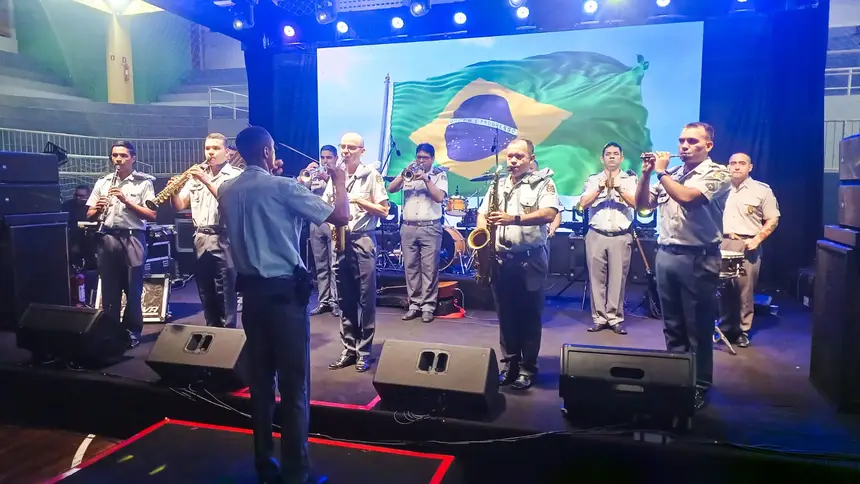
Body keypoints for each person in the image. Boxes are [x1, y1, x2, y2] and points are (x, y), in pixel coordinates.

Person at [218, 126, 348, 484]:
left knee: (261, 384)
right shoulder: (282, 186)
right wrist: (339, 181)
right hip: (284, 297)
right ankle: (296, 469)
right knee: (294, 386)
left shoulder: (226, 190)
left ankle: (263, 462)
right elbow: (340, 217)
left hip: (252, 297)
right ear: (266, 152)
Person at [634, 122, 731, 410]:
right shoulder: (673, 174)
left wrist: (661, 172)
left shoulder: (717, 173)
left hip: (698, 258)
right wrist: (646, 175)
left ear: (708, 146)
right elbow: (642, 206)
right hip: (666, 254)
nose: (684, 146)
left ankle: (699, 384)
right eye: (681, 141)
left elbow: (688, 199)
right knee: (672, 325)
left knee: (697, 328)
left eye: (692, 141)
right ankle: (677, 378)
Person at [476, 139, 561, 390]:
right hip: (502, 260)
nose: (513, 161)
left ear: (531, 158)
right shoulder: (498, 183)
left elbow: (549, 213)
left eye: (519, 157)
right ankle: (509, 364)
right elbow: (483, 212)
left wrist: (513, 219)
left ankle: (527, 368)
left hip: (529, 260)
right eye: (510, 156)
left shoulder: (543, 182)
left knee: (529, 317)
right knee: (506, 316)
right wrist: (482, 228)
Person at [324, 132, 389, 372]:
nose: (345, 151)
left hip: (363, 239)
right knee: (345, 299)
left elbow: (384, 210)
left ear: (362, 151)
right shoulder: (335, 176)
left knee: (366, 299)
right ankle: (348, 349)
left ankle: (364, 351)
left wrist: (359, 201)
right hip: (341, 240)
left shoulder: (371, 175)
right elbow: (325, 206)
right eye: (342, 146)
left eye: (351, 147)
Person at [86, 141, 156, 349]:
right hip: (107, 237)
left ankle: (131, 331)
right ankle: (111, 331)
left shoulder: (144, 183)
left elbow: (152, 215)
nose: (118, 159)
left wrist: (126, 201)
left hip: (133, 237)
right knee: (109, 289)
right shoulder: (103, 182)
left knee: (132, 287)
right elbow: (89, 214)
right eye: (115, 155)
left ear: (132, 158)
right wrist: (97, 209)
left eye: (123, 156)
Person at [172, 133, 241, 328]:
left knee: (226, 291)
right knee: (205, 290)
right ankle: (212, 332)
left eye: (216, 148)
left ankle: (228, 337)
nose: (210, 152)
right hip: (200, 236)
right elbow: (179, 205)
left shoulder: (235, 175)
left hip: (223, 236)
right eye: (208, 148)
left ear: (227, 153)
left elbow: (229, 202)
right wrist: (174, 191)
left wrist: (205, 180)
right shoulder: (195, 176)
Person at [719, 152, 780, 347]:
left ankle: (743, 330)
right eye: (733, 163)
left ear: (750, 167)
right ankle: (726, 326)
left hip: (746, 245)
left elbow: (773, 218)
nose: (736, 167)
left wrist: (758, 238)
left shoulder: (761, 190)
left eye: (741, 163)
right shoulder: (720, 188)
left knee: (744, 291)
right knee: (723, 289)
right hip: (720, 242)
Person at [579, 142, 637, 335]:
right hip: (596, 235)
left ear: (622, 157)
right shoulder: (593, 179)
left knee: (618, 279)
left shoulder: (630, 180)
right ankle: (599, 318)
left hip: (620, 236)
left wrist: (619, 189)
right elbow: (583, 204)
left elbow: (638, 203)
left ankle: (615, 318)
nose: (612, 157)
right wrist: (599, 189)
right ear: (601, 158)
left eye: (615, 154)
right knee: (596, 279)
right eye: (608, 154)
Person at [386, 143, 448, 323]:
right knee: (410, 268)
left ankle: (428, 306)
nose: (421, 160)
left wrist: (426, 179)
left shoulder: (439, 175)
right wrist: (405, 173)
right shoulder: (409, 173)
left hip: (430, 226)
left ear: (432, 159)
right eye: (419, 157)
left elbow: (439, 197)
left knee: (429, 269)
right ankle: (414, 304)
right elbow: (391, 189)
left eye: (425, 158)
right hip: (408, 226)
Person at [304, 146, 341, 318]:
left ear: (336, 158)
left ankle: (335, 301)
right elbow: (301, 192)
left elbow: (340, 195)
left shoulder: (339, 174)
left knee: (334, 264)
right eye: (323, 157)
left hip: (332, 222)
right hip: (316, 222)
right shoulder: (314, 174)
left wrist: (328, 180)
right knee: (320, 264)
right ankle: (323, 300)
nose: (325, 161)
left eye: (329, 157)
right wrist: (304, 176)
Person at [63, 185, 94, 269]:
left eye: (82, 196)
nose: (78, 198)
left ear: (88, 196)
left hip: (90, 237)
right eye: (76, 195)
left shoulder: (93, 206)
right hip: (72, 236)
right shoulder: (67, 205)